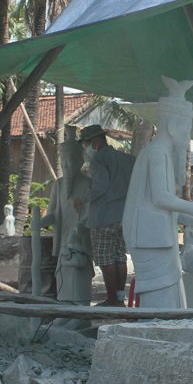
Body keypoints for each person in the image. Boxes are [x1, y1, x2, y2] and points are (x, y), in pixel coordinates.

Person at [123, 76, 193, 309]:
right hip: (149, 238)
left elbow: (162, 203)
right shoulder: (156, 153)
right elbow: (160, 198)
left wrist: (188, 215)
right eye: (186, 130)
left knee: (171, 289)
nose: (187, 137)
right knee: (160, 293)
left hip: (156, 236)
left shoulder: (159, 153)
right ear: (174, 126)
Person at [73, 124, 135, 306]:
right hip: (123, 216)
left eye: (86, 144)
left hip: (104, 216)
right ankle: (119, 298)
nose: (85, 149)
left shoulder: (99, 159)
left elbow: (100, 185)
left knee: (105, 257)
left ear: (96, 141)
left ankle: (110, 299)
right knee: (119, 256)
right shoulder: (126, 159)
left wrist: (81, 199)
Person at [41, 128, 94, 305]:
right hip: (64, 243)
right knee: (64, 283)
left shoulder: (87, 183)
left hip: (81, 242)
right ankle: (66, 310)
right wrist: (39, 223)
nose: (67, 165)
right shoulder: (58, 185)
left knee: (80, 279)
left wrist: (79, 229)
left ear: (79, 161)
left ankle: (81, 311)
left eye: (70, 161)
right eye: (64, 162)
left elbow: (90, 214)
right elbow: (52, 214)